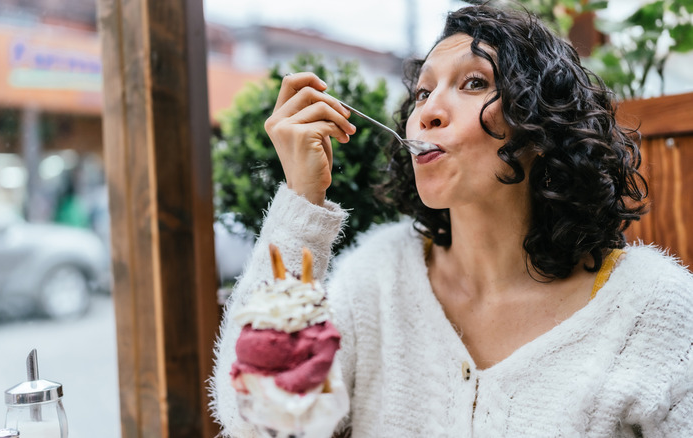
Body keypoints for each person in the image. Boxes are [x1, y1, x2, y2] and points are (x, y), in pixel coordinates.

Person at [210, 4, 693, 437]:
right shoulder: (376, 279)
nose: (428, 112)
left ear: (543, 127)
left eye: (474, 83)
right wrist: (302, 196)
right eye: (422, 93)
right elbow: (254, 418)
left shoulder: (652, 310)